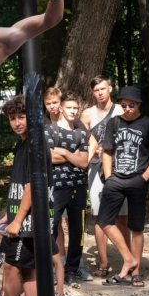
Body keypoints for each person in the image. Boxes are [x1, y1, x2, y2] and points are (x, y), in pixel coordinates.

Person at [98, 86, 149, 287]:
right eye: (123, 105)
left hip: (137, 180)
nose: (127, 108)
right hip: (115, 179)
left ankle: (136, 271)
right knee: (104, 221)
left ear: (139, 104)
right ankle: (128, 258)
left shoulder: (148, 124)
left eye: (131, 105)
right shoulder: (114, 123)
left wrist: (144, 178)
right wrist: (108, 177)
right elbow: (107, 151)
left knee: (136, 227)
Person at [0, 95, 60, 296]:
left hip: (28, 224)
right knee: (29, 271)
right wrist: (9, 214)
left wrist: (17, 220)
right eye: (12, 118)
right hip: (23, 219)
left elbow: (33, 185)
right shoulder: (23, 145)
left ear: (33, 118)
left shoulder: (36, 144)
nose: (16, 123)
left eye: (22, 117)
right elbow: (20, 184)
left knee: (11, 267)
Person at [79, 75, 127, 278]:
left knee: (123, 216)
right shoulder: (87, 114)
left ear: (110, 88)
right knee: (100, 217)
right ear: (93, 93)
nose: (100, 92)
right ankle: (104, 262)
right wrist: (93, 150)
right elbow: (81, 141)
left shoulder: (121, 110)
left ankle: (128, 259)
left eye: (103, 88)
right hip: (95, 168)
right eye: (96, 90)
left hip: (120, 168)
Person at [54, 91, 94, 284]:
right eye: (69, 108)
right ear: (61, 108)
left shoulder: (81, 133)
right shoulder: (51, 130)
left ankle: (72, 269)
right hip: (56, 187)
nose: (72, 111)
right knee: (51, 227)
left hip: (78, 186)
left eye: (75, 108)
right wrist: (73, 155)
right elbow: (49, 157)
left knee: (77, 230)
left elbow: (84, 162)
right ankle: (53, 267)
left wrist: (63, 152)